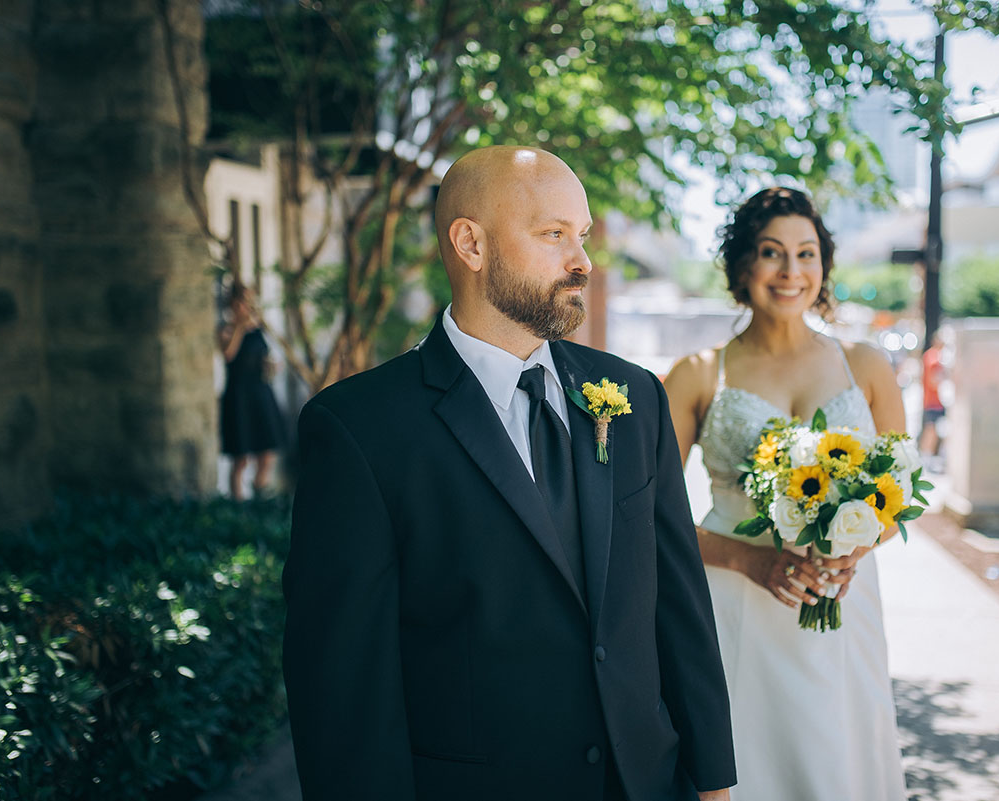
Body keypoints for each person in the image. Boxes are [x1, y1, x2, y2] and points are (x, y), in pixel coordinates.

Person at [282, 146, 736, 801]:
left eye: (580, 236)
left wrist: (714, 778)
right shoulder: (359, 429)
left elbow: (678, 603)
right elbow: (344, 686)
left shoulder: (635, 397)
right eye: (553, 235)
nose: (581, 260)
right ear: (470, 243)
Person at [664, 187, 907, 801]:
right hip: (735, 600)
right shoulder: (698, 373)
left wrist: (853, 549)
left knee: (840, 756)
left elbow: (900, 492)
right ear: (743, 264)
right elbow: (646, 514)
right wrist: (750, 559)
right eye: (772, 253)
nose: (791, 271)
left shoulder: (867, 366)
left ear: (823, 265)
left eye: (806, 254)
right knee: (749, 761)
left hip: (842, 600)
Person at [217, 286, 286, 500]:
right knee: (241, 458)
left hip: (260, 394)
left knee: (267, 454)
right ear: (231, 305)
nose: (242, 308)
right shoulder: (225, 330)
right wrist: (239, 326)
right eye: (238, 303)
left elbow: (267, 359)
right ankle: (238, 505)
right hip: (238, 397)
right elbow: (228, 354)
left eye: (246, 303)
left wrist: (273, 366)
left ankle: (260, 496)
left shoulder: (259, 329)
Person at [919, 337, 945, 467]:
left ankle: (927, 456)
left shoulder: (928, 355)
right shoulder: (935, 357)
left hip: (930, 399)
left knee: (932, 429)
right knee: (932, 429)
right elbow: (932, 381)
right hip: (934, 401)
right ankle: (926, 457)